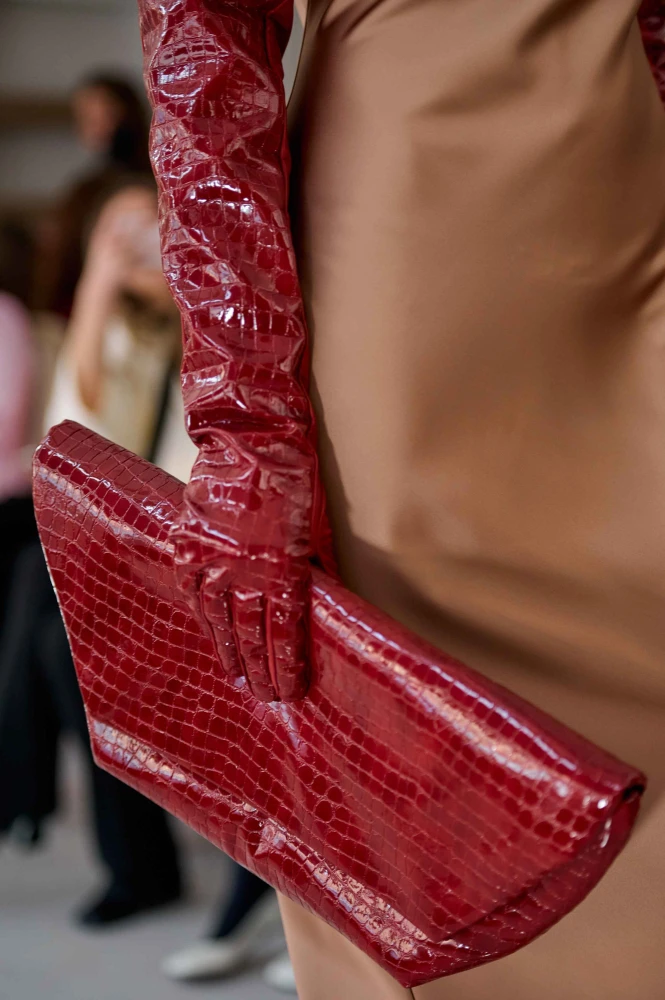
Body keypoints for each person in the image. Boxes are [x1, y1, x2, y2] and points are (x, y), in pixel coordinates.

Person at [138, 0, 665, 998]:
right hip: (413, 258)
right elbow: (206, 49)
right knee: (431, 777)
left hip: (635, 219)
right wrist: (245, 435)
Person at [0, 182, 184, 924]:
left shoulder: (195, 321)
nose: (135, 245)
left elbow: (75, 442)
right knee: (46, 627)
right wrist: (101, 292)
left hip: (164, 542)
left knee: (55, 635)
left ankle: (24, 796)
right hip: (118, 535)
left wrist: (113, 288)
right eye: (118, 233)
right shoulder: (124, 331)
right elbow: (70, 433)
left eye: (148, 227)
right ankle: (38, 803)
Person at [35, 74, 151, 320]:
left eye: (104, 116)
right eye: (85, 118)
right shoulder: (84, 188)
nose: (94, 127)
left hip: (126, 310)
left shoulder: (147, 186)